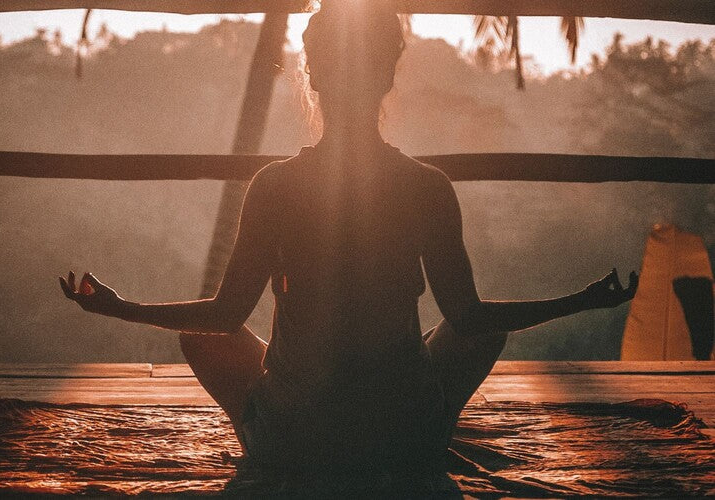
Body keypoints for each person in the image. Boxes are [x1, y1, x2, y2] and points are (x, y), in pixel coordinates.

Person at [60, 0, 638, 474]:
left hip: (297, 441)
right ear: (388, 75)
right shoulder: (426, 186)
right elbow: (468, 317)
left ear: (312, 72)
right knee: (477, 334)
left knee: (202, 340)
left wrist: (120, 308)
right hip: (401, 438)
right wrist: (581, 300)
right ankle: (430, 430)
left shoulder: (275, 185)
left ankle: (265, 443)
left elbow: (224, 313)